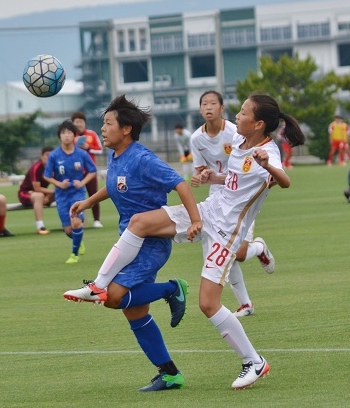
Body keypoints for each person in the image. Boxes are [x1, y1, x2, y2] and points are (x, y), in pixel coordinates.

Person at [67, 93, 306, 389]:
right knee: (140, 222)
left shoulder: (267, 151)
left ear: (258, 124)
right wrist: (212, 178)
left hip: (227, 231)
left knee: (208, 304)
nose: (236, 116)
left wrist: (267, 165)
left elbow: (284, 181)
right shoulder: (239, 141)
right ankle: (98, 285)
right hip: (210, 210)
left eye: (243, 112)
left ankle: (254, 361)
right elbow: (235, 182)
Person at [64, 95, 201, 392]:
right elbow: (114, 185)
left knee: (112, 297)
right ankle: (170, 374)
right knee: (134, 311)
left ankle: (172, 288)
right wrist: (87, 202)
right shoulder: (116, 157)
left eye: (108, 123)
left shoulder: (142, 158)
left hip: (151, 244)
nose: (102, 129)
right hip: (129, 241)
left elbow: (179, 183)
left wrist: (194, 220)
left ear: (126, 129)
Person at [191, 90, 276, 318]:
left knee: (238, 254)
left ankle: (259, 248)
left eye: (213, 103)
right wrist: (202, 176)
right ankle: (245, 304)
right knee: (220, 253)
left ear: (222, 108)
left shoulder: (236, 131)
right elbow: (201, 169)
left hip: (241, 196)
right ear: (199, 109)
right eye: (204, 104)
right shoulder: (196, 139)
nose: (208, 107)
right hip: (217, 198)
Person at [44, 120, 96, 264]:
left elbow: (92, 171)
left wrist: (82, 182)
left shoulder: (82, 154)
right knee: (68, 230)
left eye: (69, 132)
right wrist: (59, 184)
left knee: (76, 222)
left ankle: (74, 254)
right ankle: (78, 241)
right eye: (63, 133)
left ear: (74, 135)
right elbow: (47, 175)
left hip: (77, 193)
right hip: (61, 195)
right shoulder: (54, 155)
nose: (66, 135)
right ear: (59, 136)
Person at [71, 111, 105, 228]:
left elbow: (100, 150)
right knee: (75, 195)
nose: (78, 124)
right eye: (76, 122)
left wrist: (88, 148)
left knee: (94, 194)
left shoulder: (91, 134)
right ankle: (77, 220)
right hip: (75, 171)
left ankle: (96, 220)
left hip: (90, 170)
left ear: (84, 123)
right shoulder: (71, 136)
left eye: (81, 122)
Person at [18, 146, 55, 235]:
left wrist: (49, 196)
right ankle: (40, 226)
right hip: (26, 193)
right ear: (41, 156)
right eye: (47, 155)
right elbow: (37, 189)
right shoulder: (36, 167)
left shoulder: (54, 167)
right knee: (39, 195)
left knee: (65, 192)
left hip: (43, 194)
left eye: (51, 156)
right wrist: (53, 192)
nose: (49, 158)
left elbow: (58, 184)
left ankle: (69, 224)